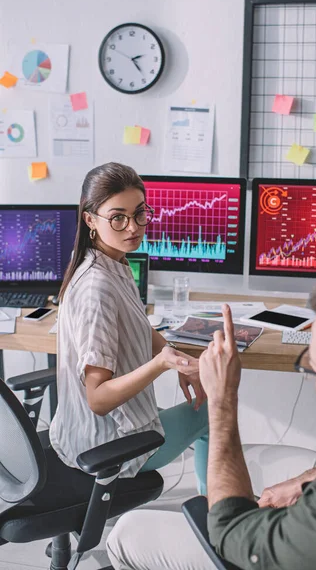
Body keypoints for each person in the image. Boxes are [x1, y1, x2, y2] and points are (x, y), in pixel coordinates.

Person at [107, 266, 316, 569]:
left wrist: (222, 400)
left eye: (313, 365)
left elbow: (230, 532)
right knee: (248, 460)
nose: (311, 375)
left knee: (126, 532)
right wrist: (304, 482)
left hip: (270, 545)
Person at [49, 162, 209, 493]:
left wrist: (175, 357)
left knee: (203, 403)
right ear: (90, 219)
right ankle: (220, 521)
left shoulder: (110, 261)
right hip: (107, 446)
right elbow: (98, 399)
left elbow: (139, 327)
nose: (133, 227)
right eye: (118, 217)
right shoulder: (98, 288)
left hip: (82, 432)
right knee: (216, 412)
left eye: (140, 214)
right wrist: (162, 363)